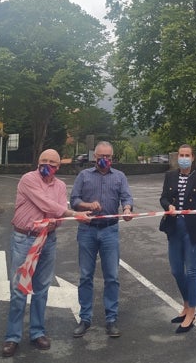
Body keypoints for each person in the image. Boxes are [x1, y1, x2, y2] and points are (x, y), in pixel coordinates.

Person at [1, 149, 91, 358]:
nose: (47, 165)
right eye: (43, 161)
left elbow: (57, 214)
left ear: (58, 167)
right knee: (19, 289)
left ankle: (37, 332)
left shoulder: (59, 186)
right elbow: (47, 205)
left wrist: (60, 217)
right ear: (37, 162)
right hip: (25, 238)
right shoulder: (27, 180)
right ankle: (12, 337)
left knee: (42, 288)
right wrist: (72, 213)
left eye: (52, 162)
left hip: (48, 239)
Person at [70, 141, 134, 338]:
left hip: (110, 231)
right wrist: (88, 205)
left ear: (112, 158)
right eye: (101, 157)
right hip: (87, 230)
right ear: (94, 157)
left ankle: (111, 319)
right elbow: (74, 200)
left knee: (112, 277)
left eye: (108, 157)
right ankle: (85, 319)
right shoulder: (84, 176)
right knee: (85, 276)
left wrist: (127, 209)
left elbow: (127, 198)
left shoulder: (120, 177)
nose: (104, 160)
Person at [159, 144, 196, 333]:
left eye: (187, 155)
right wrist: (169, 207)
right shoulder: (170, 176)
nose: (183, 158)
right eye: (181, 155)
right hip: (174, 227)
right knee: (176, 270)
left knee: (191, 271)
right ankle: (186, 304)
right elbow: (164, 198)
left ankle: (191, 312)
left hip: (193, 228)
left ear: (192, 158)